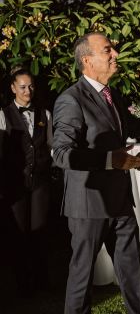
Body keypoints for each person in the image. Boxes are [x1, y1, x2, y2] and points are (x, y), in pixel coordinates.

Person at [52, 32, 140, 314]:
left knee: (131, 264)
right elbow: (61, 154)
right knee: (82, 273)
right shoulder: (71, 100)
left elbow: (133, 126)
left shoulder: (112, 94)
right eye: (107, 50)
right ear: (87, 60)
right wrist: (110, 160)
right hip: (88, 203)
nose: (115, 53)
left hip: (120, 198)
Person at [0, 67, 53, 297]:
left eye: (30, 86)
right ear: (13, 88)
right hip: (15, 183)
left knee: (40, 231)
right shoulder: (3, 115)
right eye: (22, 87)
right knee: (18, 234)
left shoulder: (45, 114)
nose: (27, 91)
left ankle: (42, 282)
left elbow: (51, 146)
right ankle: (23, 284)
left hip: (40, 180)